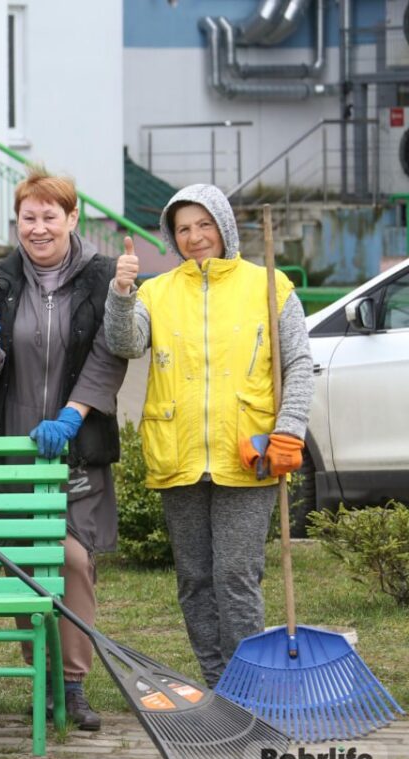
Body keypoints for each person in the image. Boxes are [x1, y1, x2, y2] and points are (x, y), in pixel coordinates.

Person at [104, 183, 313, 688]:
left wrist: (289, 430)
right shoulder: (156, 291)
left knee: (236, 579)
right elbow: (125, 344)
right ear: (172, 237)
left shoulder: (270, 286)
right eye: (184, 229)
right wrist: (122, 294)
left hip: (250, 457)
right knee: (195, 581)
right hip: (179, 455)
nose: (196, 237)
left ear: (224, 227)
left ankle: (252, 689)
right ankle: (219, 687)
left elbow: (299, 363)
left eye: (204, 225)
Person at [0, 168, 127, 731]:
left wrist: (71, 416)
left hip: (72, 446)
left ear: (72, 218)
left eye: (49, 216)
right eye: (27, 218)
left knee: (73, 560)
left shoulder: (101, 278)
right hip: (11, 450)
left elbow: (110, 353)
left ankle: (72, 684)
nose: (37, 228)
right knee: (26, 566)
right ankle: (45, 678)